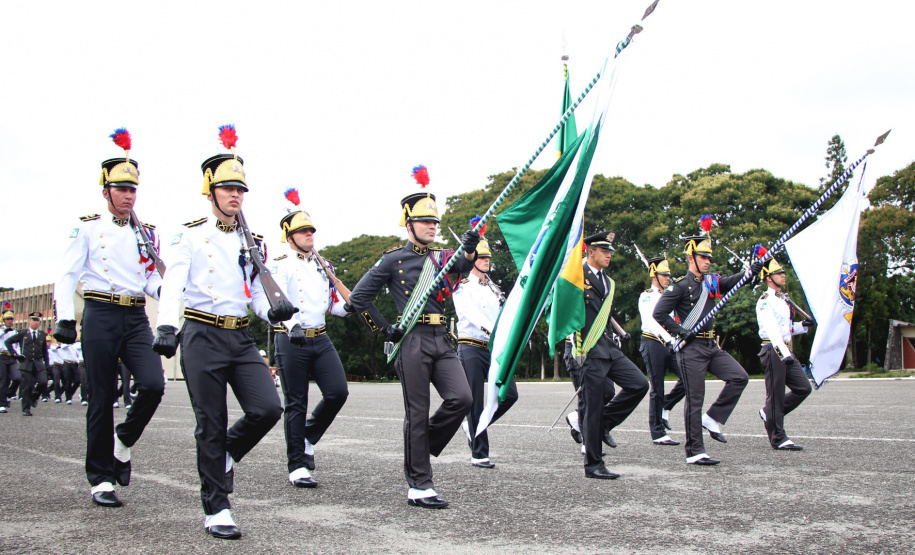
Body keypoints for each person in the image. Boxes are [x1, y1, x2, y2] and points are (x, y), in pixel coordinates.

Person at [153, 126, 294, 540]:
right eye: (228, 188)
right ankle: (217, 507)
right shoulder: (190, 234)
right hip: (200, 333)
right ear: (210, 190)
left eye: (241, 190)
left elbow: (253, 296)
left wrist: (277, 313)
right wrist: (165, 324)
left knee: (268, 408)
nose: (236, 195)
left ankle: (225, 455)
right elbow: (173, 283)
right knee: (210, 423)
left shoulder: (254, 243)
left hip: (239, 336)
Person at [349, 165, 475, 509]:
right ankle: (420, 484)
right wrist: (384, 328)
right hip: (412, 340)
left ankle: (421, 445)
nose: (432, 226)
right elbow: (357, 299)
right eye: (425, 222)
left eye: (435, 222)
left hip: (441, 338)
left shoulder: (444, 258)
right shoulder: (393, 260)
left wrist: (471, 245)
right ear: (409, 225)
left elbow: (464, 265)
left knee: (461, 398)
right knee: (417, 412)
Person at [53, 129, 166, 507]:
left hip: (134, 316)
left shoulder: (147, 233)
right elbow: (67, 274)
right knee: (101, 397)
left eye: (132, 190)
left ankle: (124, 440)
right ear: (106, 191)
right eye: (121, 189)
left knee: (152, 384)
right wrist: (65, 318)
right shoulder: (86, 226)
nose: (128, 196)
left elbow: (150, 277)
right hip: (100, 313)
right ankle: (100, 478)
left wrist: (168, 295)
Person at [652, 218, 762, 465]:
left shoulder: (712, 282)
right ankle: (695, 451)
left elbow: (733, 282)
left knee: (739, 377)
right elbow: (658, 314)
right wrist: (680, 331)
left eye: (709, 258)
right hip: (691, 349)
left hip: (711, 345)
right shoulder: (680, 287)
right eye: (703, 257)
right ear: (691, 258)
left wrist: (749, 272)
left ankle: (712, 418)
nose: (708, 261)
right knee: (695, 399)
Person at [271, 190, 351, 488]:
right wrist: (290, 324)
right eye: (303, 231)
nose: (309, 235)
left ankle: (307, 434)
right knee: (296, 402)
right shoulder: (280, 264)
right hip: (291, 338)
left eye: (311, 231)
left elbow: (333, 305)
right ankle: (297, 464)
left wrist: (350, 306)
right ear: (289, 236)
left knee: (338, 392)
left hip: (320, 337)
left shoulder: (324, 265)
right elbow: (275, 300)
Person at [576, 232, 648, 479]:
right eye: (604, 250)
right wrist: (575, 349)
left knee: (639, 384)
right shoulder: (575, 276)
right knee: (593, 406)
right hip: (586, 349)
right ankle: (593, 465)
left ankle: (603, 424)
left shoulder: (608, 281)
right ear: (590, 252)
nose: (609, 255)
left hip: (606, 346)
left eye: (610, 251)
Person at [452, 219, 517, 469]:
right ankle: (479, 453)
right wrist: (495, 331)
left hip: (493, 347)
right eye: (481, 257)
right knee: (476, 401)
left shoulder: (494, 288)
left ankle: (473, 426)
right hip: (470, 346)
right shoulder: (462, 286)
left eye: (488, 257)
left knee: (510, 394)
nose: (487, 260)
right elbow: (470, 315)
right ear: (472, 259)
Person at [754, 248, 812, 450]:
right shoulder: (764, 301)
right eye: (779, 273)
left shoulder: (782, 300)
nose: (783, 275)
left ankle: (769, 412)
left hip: (784, 349)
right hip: (773, 350)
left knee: (804, 388)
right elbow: (772, 331)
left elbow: (785, 330)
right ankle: (778, 437)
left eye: (783, 272)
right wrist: (784, 354)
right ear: (769, 278)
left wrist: (803, 327)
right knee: (776, 395)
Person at [638, 255, 685, 446]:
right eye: (664, 275)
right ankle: (657, 431)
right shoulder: (646, 295)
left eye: (669, 275)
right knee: (657, 388)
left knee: (687, 377)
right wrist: (669, 339)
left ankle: (666, 405)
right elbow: (652, 321)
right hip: (653, 343)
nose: (668, 278)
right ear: (654, 275)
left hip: (671, 344)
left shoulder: (670, 295)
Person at [5, 312, 49, 416]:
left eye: (37, 320)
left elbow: (45, 352)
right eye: (33, 320)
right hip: (26, 363)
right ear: (29, 321)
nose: (35, 322)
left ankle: (34, 397)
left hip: (38, 363)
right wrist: (15, 355)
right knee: (27, 387)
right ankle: (26, 409)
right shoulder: (23, 333)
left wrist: (47, 365)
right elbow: (8, 342)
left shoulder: (42, 335)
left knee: (43, 382)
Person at [0, 309, 22, 413]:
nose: (10, 321)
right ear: (4, 320)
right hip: (2, 356)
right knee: (3, 380)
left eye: (11, 319)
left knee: (17, 378)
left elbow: (17, 345)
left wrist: (19, 355)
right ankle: (2, 404)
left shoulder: (15, 331)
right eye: (7, 319)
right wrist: (3, 331)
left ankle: (8, 394)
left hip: (12, 357)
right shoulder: (1, 330)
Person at [47, 336, 65, 403]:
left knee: (66, 383)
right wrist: (59, 346)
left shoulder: (65, 346)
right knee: (56, 381)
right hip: (56, 365)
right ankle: (57, 396)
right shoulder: (53, 346)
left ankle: (56, 392)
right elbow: (53, 348)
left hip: (63, 366)